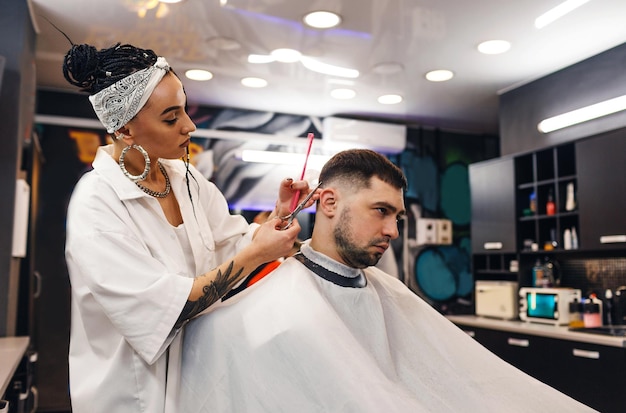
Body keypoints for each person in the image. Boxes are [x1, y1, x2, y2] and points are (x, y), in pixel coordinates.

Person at [180, 149, 596, 412]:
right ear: (328, 203)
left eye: (397, 216)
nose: (393, 230)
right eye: (380, 211)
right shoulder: (268, 308)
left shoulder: (388, 293)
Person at [61, 42, 317, 413]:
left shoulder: (187, 179)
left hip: (197, 384)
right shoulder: (97, 204)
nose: (190, 125)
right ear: (126, 130)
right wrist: (255, 253)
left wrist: (279, 216)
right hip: (131, 398)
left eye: (184, 108)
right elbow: (167, 311)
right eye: (171, 117)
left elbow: (233, 245)